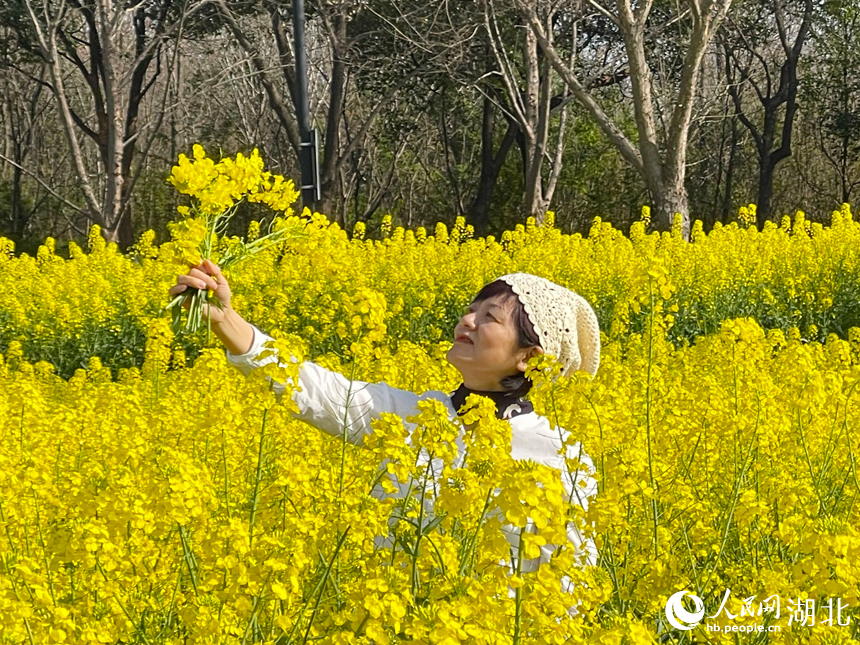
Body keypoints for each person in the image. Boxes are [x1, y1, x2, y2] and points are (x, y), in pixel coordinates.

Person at [168, 261, 602, 615]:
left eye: (489, 317)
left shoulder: (561, 456)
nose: (466, 321)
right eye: (471, 309)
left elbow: (571, 588)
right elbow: (317, 390)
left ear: (529, 357)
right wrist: (227, 321)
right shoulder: (415, 414)